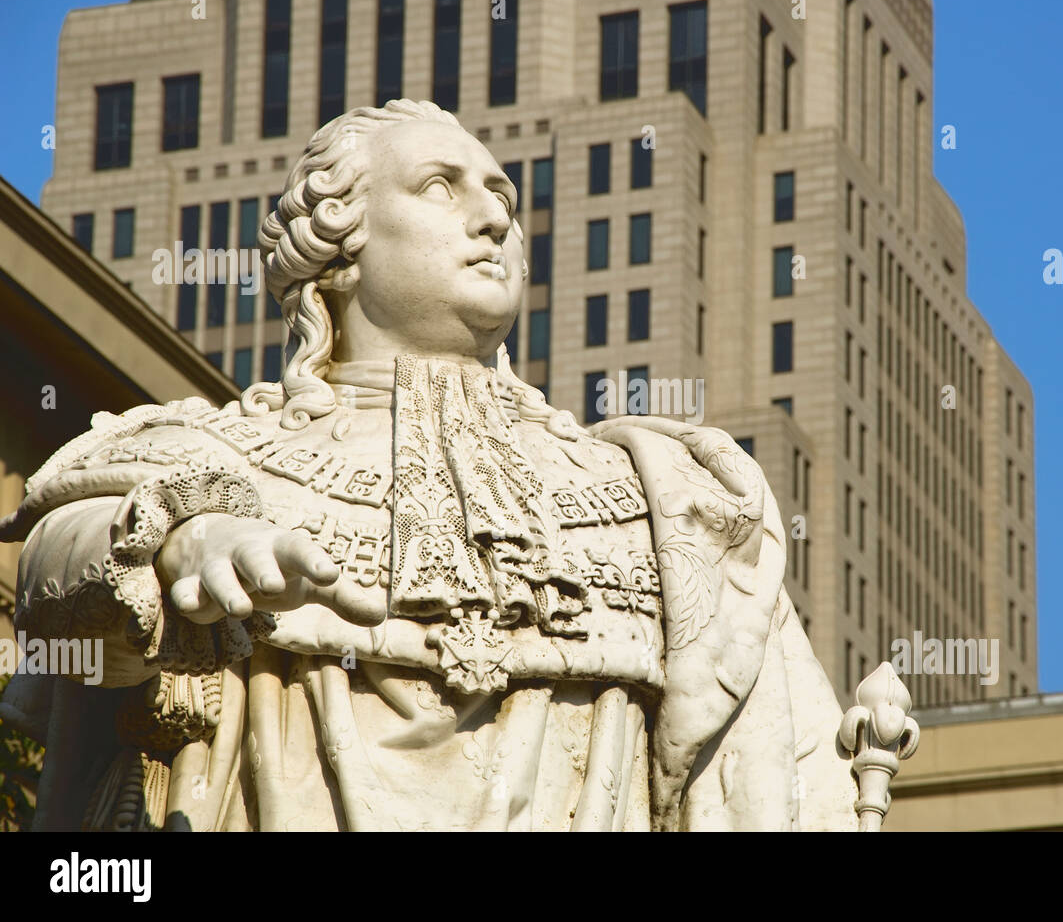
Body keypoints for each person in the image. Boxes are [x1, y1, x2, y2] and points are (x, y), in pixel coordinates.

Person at [0, 99, 859, 831]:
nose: (494, 220)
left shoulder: (662, 495)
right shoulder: (216, 453)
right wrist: (180, 546)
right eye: (441, 187)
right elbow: (53, 571)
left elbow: (782, 769)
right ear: (339, 245)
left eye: (505, 200)